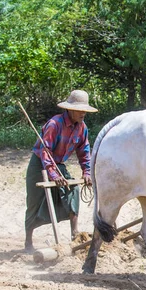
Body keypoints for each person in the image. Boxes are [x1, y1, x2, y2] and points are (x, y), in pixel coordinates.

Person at [24, 89, 98, 252]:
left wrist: (87, 172)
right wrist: (54, 174)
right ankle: (28, 241)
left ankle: (74, 233)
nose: (83, 114)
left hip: (58, 163)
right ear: (70, 109)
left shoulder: (82, 128)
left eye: (85, 110)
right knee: (34, 202)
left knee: (73, 189)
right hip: (39, 164)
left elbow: (84, 151)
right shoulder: (55, 124)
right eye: (80, 110)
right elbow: (45, 151)